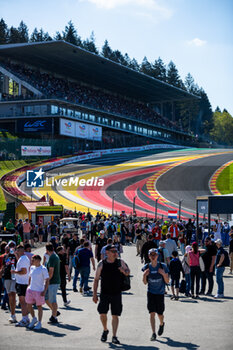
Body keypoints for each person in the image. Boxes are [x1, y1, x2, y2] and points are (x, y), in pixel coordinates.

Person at [93, 245, 130, 345]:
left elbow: (128, 272)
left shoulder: (120, 262)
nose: (115, 253)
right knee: (102, 313)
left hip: (116, 293)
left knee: (115, 315)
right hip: (104, 293)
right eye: (113, 251)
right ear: (107, 253)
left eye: (116, 251)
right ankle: (105, 330)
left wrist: (124, 271)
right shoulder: (102, 264)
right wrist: (94, 294)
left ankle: (114, 336)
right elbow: (96, 279)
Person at [142, 248, 169, 341]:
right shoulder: (146, 267)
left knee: (160, 314)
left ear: (157, 256)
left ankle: (161, 324)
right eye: (151, 255)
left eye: (155, 255)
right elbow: (145, 283)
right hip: (151, 293)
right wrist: (144, 275)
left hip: (160, 293)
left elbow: (167, 281)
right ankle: (153, 333)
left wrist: (164, 274)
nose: (153, 257)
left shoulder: (163, 266)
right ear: (149, 257)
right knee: (152, 313)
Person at [25, 254, 49, 330]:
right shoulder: (32, 268)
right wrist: (28, 286)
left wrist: (44, 291)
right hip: (30, 290)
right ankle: (34, 318)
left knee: (39, 307)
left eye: (33, 260)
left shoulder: (43, 269)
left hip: (39, 291)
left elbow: (47, 280)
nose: (32, 261)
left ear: (38, 260)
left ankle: (39, 322)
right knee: (28, 305)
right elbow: (30, 277)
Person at [14, 245, 30, 327]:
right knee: (24, 302)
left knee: (22, 302)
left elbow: (24, 271)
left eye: (17, 250)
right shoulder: (23, 258)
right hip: (23, 282)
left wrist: (14, 272)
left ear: (21, 251)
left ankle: (24, 319)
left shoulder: (23, 259)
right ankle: (26, 318)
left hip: (22, 283)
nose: (16, 252)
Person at [2, 241, 17, 323]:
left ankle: (13, 314)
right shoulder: (6, 256)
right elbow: (4, 265)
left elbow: (18, 263)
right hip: (7, 276)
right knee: (9, 295)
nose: (11, 248)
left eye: (12, 246)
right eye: (10, 246)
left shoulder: (16, 255)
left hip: (14, 277)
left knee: (12, 295)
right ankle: (12, 314)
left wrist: (15, 254)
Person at [45, 243, 60, 324]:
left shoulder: (52, 258)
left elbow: (51, 271)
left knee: (53, 300)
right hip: (55, 281)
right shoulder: (55, 256)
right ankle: (55, 312)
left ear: (47, 250)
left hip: (53, 281)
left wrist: (47, 281)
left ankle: (54, 317)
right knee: (47, 298)